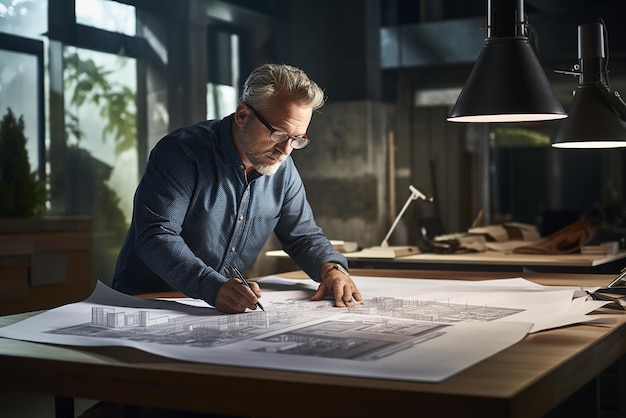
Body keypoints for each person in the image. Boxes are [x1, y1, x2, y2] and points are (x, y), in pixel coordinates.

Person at [112, 63, 363, 313]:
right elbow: (157, 235)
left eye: (297, 139)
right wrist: (211, 286)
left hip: (218, 311)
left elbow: (304, 236)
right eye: (278, 134)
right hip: (147, 303)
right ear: (243, 115)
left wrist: (332, 269)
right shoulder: (181, 153)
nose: (286, 151)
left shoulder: (283, 169)